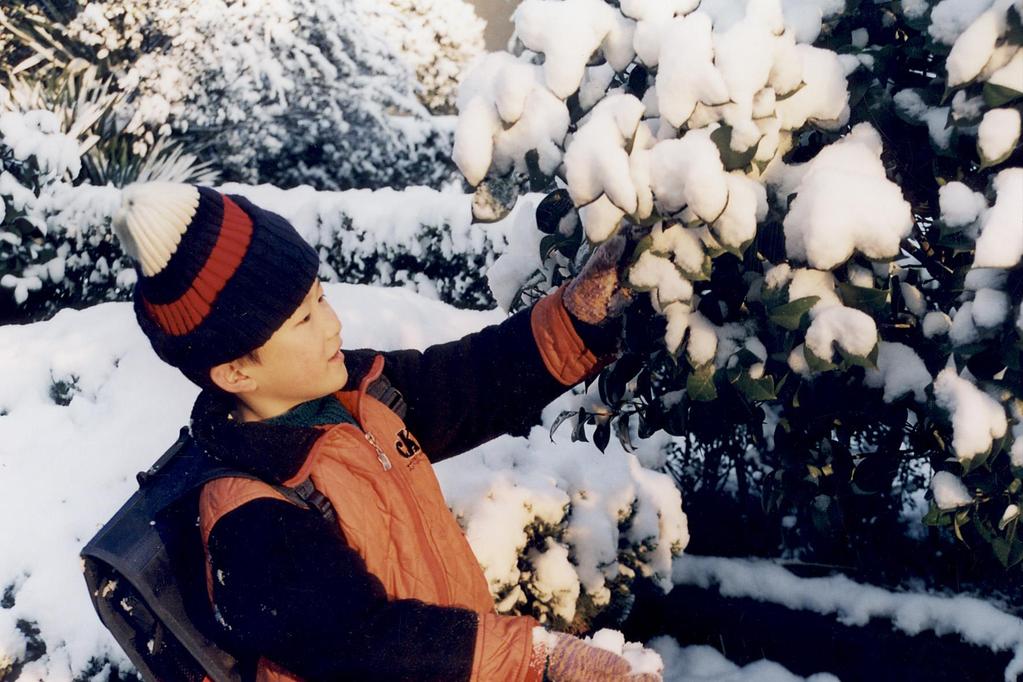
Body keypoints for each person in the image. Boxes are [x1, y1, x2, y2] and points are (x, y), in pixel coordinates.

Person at [112, 182, 658, 682]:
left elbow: (474, 382)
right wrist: (538, 658)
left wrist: (579, 316)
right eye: (303, 319)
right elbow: (366, 646)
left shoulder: (360, 393)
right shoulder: (249, 518)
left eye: (320, 299)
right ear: (236, 372)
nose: (333, 324)